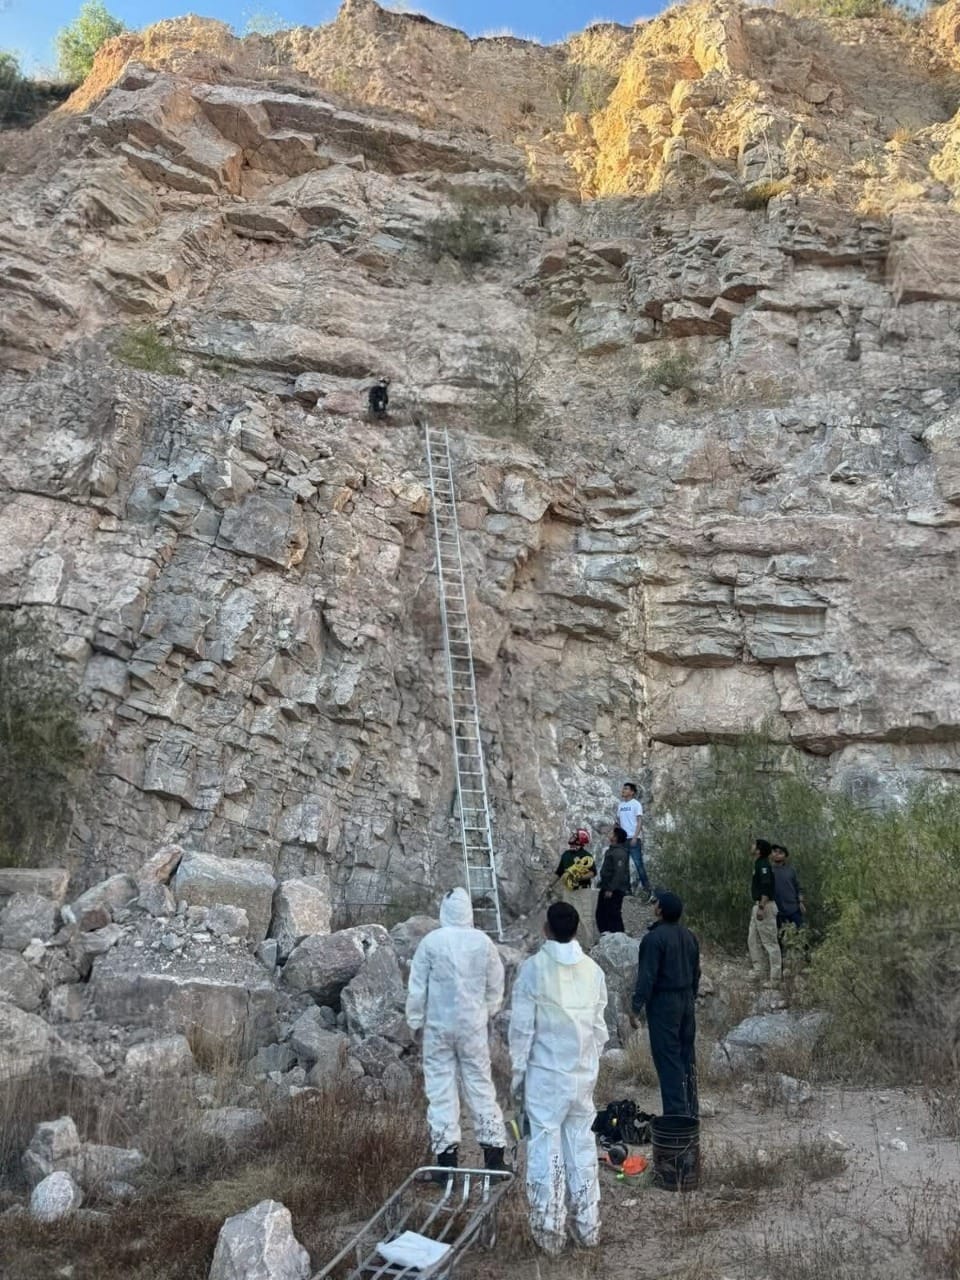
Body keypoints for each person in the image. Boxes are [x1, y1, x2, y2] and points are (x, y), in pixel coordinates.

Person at [509, 901, 608, 1255]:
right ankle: (588, 1226)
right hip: (582, 1075)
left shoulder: (534, 970)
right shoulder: (593, 970)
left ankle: (550, 1232)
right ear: (577, 929)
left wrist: (517, 1079)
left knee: (545, 1150)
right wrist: (587, 1062)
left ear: (546, 929)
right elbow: (600, 1030)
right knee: (581, 1145)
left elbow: (521, 1031)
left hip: (546, 1078)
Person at [405, 887, 508, 1173]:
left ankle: (446, 1158)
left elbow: (417, 988)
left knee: (440, 1088)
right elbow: (496, 982)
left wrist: (415, 1021)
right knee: (479, 1084)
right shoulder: (483, 942)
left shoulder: (430, 943)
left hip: (438, 1027)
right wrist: (488, 1009)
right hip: (472, 1026)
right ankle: (494, 1154)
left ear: (444, 910)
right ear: (469, 912)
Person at [630, 891, 699, 1118]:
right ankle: (691, 1110)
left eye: (657, 903)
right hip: (687, 999)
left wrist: (636, 1006)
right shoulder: (689, 936)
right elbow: (696, 972)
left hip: (664, 1002)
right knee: (686, 1056)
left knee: (667, 1057)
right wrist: (691, 996)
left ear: (660, 910)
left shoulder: (654, 939)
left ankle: (676, 1115)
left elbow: (647, 976)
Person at [554, 828, 598, 951]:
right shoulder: (566, 855)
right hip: (568, 890)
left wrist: (578, 877)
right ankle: (566, 944)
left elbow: (593, 873)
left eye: (575, 837)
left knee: (585, 918)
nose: (572, 839)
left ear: (581, 841)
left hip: (582, 890)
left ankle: (589, 946)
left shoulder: (587, 856)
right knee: (566, 917)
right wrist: (550, 884)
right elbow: (559, 872)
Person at [748, 838, 781, 986]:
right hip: (758, 905)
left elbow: (766, 886)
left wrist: (761, 907)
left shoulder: (764, 865)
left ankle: (775, 979)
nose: (752, 846)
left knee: (770, 943)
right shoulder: (758, 863)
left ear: (759, 850)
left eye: (754, 844)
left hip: (765, 906)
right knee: (753, 939)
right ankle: (758, 971)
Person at [616, 782, 651, 898]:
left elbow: (640, 821)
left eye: (626, 789)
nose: (623, 790)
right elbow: (620, 823)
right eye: (623, 788)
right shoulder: (620, 805)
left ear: (632, 792)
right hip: (623, 839)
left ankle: (648, 889)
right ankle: (627, 890)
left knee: (638, 864)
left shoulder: (636, 804)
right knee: (624, 865)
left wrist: (635, 837)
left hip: (633, 838)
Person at [596, 826, 631, 935]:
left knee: (613, 913)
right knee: (602, 912)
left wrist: (611, 889)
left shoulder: (619, 853)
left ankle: (618, 936)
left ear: (616, 837)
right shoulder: (612, 851)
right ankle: (606, 934)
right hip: (607, 887)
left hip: (614, 889)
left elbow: (619, 872)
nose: (610, 835)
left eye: (612, 833)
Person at [771, 844, 805, 931]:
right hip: (776, 910)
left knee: (801, 933)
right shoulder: (768, 871)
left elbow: (798, 887)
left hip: (793, 908)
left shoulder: (791, 870)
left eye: (780, 852)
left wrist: (801, 902)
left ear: (785, 856)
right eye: (775, 851)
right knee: (780, 936)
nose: (777, 854)